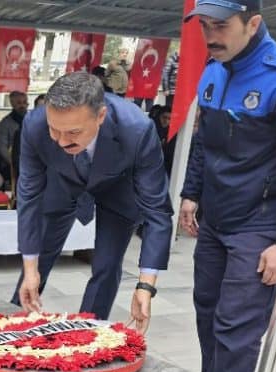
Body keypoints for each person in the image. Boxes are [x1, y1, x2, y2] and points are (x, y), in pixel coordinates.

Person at [12, 72, 173, 332]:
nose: (62, 141)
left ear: (100, 116)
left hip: (117, 187)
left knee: (107, 265)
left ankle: (85, 332)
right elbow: (29, 195)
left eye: (74, 132)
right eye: (55, 130)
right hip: (63, 181)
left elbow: (157, 211)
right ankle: (16, 323)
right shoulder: (35, 124)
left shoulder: (137, 130)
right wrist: (30, 269)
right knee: (38, 256)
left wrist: (146, 285)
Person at [181, 0, 276, 372]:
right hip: (214, 220)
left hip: (258, 225)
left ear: (253, 23)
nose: (210, 37)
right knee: (206, 312)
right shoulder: (214, 72)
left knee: (235, 330)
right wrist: (191, 194)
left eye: (221, 26)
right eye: (205, 26)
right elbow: (204, 142)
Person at [0, 91, 29, 168]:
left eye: (25, 102)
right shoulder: (5, 123)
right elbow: (2, 148)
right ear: (12, 104)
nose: (22, 105)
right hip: (13, 162)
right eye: (19, 103)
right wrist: (14, 162)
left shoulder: (32, 119)